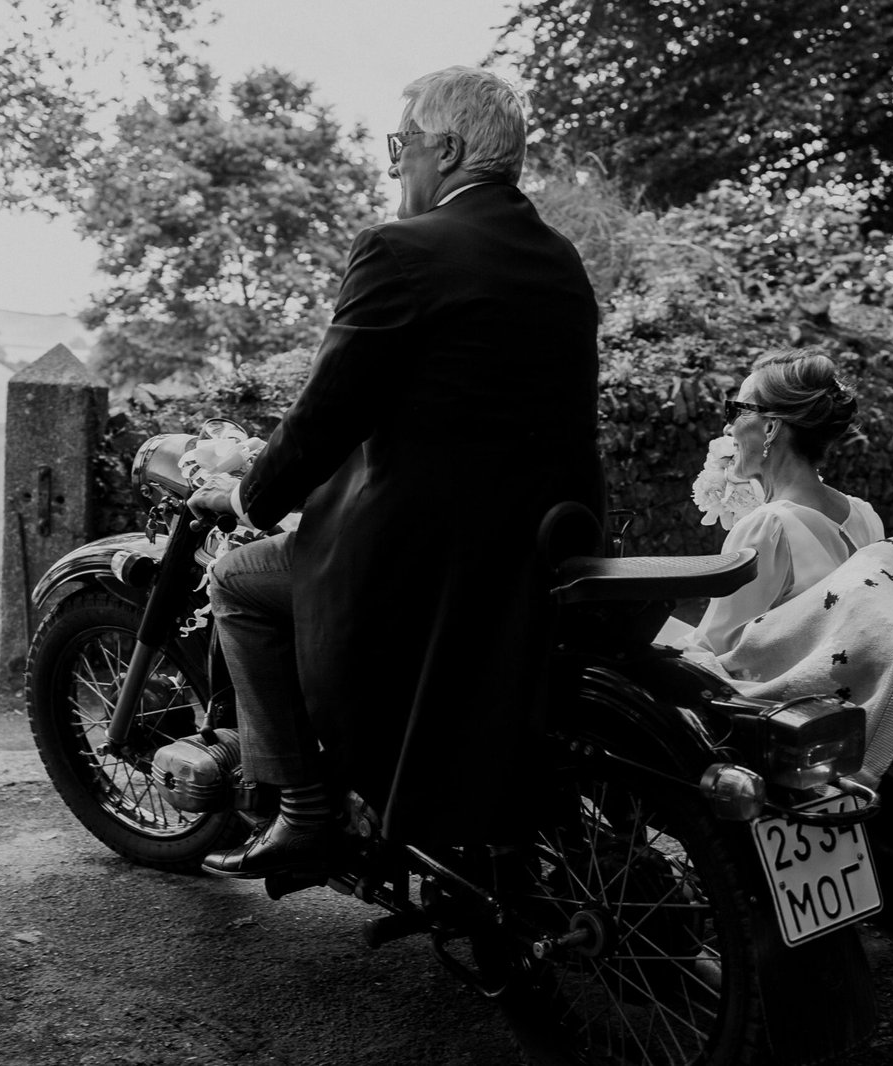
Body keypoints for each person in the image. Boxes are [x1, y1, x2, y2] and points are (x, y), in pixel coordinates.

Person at [188, 66, 605, 878]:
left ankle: (306, 812)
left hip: (424, 563)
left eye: (399, 145)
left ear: (445, 150)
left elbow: (328, 410)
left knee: (238, 582)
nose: (393, 166)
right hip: (543, 546)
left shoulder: (403, 248)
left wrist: (247, 492)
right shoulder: (558, 258)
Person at [684, 349, 884, 657]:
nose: (728, 428)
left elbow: (717, 649)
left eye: (735, 411)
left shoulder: (769, 527)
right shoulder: (865, 515)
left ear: (770, 428)